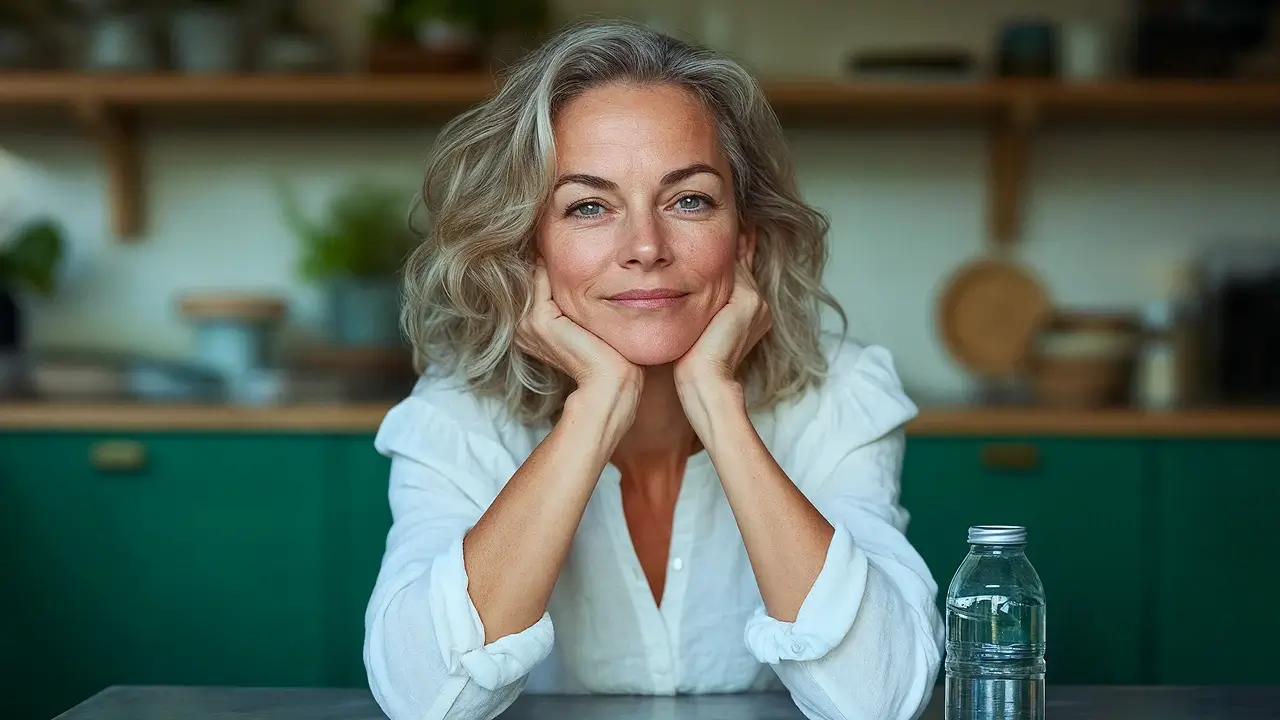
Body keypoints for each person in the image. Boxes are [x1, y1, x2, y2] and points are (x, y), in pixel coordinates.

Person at [364, 19, 944, 720]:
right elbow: (427, 699)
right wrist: (595, 408)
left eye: (689, 199)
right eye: (588, 206)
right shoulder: (459, 418)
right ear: (530, 250)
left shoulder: (836, 397)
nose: (645, 245)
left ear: (746, 241)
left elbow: (881, 699)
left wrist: (716, 403)